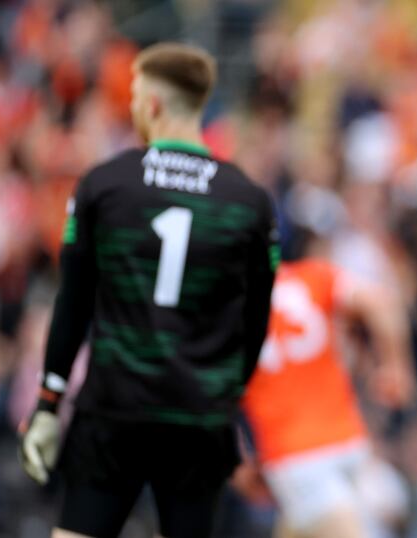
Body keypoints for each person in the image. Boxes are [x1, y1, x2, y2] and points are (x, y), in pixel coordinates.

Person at [19, 42, 278, 538]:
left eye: (135, 97)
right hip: (199, 417)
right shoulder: (249, 203)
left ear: (153, 104)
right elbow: (255, 325)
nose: (133, 107)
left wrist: (49, 404)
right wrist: (225, 399)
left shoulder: (103, 184)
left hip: (113, 409)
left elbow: (71, 303)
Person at [235, 244, 416, 538]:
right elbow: (382, 303)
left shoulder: (228, 310)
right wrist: (397, 367)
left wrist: (238, 459)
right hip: (348, 442)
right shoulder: (313, 277)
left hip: (293, 456)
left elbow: (212, 392)